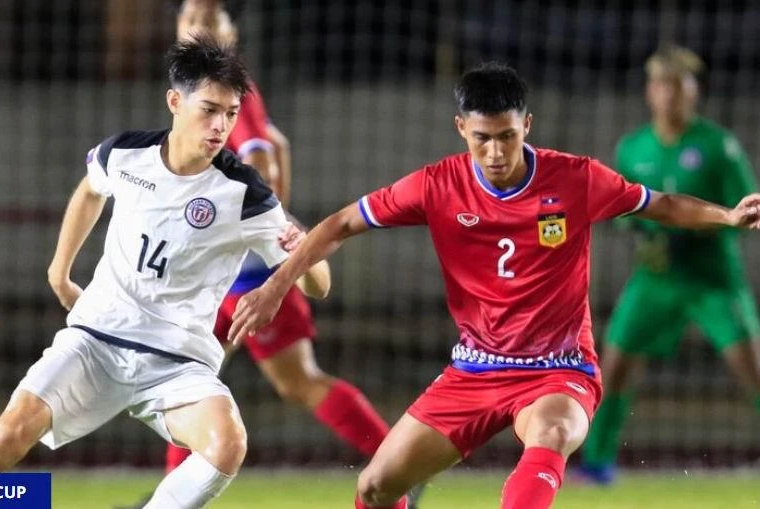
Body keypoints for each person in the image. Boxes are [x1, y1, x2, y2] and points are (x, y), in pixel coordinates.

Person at [226, 62, 760, 509]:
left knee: (550, 435)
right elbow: (341, 223)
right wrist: (277, 285)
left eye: (508, 136)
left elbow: (659, 203)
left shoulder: (574, 178)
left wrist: (727, 217)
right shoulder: (437, 185)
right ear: (462, 129)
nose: (497, 152)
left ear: (527, 124)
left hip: (559, 370)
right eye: (483, 139)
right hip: (474, 370)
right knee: (375, 486)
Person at [0, 37, 326, 509]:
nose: (220, 126)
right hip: (97, 339)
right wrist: (59, 270)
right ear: (174, 101)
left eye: (231, 114)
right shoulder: (125, 154)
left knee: (227, 443)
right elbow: (90, 191)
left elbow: (321, 282)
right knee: (9, 432)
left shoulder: (244, 192)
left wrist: (296, 257)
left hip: (177, 362)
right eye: (209, 110)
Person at [163, 0, 396, 486]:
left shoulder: (233, 96)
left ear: (229, 34)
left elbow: (263, 158)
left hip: (241, 271)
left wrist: (256, 222)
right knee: (197, 379)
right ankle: (397, 464)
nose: (195, 29)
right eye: (189, 19)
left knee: (240, 379)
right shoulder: (213, 93)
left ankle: (398, 463)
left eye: (207, 20)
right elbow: (279, 145)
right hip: (233, 268)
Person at [578, 44, 760, 484]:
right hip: (655, 280)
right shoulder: (633, 148)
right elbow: (623, 210)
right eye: (661, 85)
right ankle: (598, 463)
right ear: (649, 92)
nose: (669, 94)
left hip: (712, 279)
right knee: (614, 365)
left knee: (752, 370)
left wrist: (703, 228)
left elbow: (747, 212)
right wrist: (639, 234)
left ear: (693, 92)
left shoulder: (720, 147)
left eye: (679, 85)